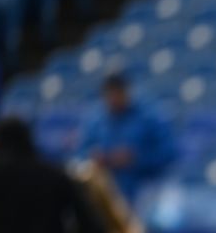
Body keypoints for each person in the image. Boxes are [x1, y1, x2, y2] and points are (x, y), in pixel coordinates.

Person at [76, 72, 177, 204]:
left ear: (127, 92)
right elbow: (81, 153)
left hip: (145, 189)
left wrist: (136, 158)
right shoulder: (96, 120)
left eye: (118, 93)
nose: (114, 99)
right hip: (106, 192)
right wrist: (94, 158)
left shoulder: (149, 117)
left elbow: (169, 153)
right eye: (109, 94)